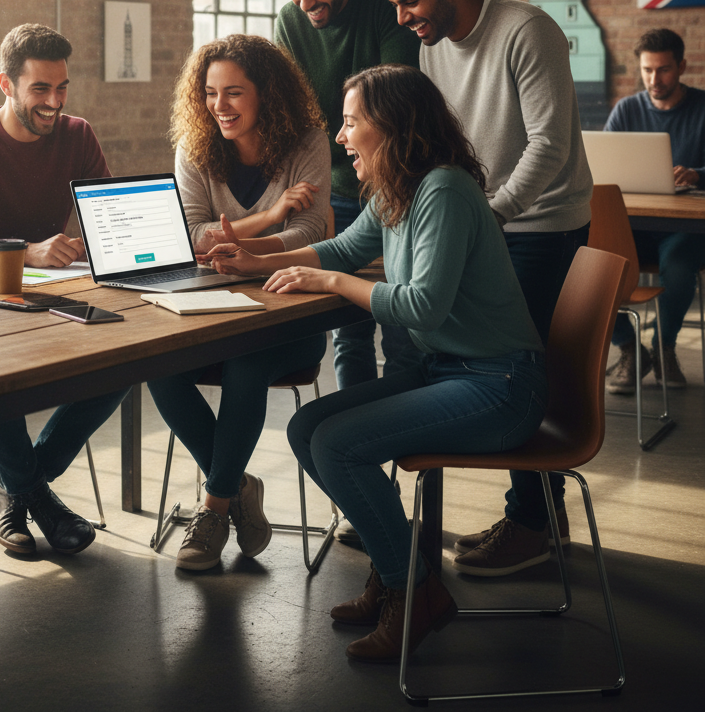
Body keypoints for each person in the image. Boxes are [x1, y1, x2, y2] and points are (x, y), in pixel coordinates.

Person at [206, 64, 545, 661]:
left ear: (390, 128)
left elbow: (423, 305)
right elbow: (342, 246)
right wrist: (251, 261)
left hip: (498, 384)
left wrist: (332, 282)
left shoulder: (442, 189)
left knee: (337, 445)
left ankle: (409, 591)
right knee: (307, 428)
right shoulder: (400, 187)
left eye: (351, 122)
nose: (340, 137)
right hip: (450, 372)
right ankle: (398, 574)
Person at [372, 0, 593, 577]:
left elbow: (548, 146)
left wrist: (484, 218)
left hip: (541, 227)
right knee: (478, 361)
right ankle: (534, 516)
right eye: (394, 6)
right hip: (483, 227)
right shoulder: (432, 44)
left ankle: (533, 522)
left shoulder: (528, 30)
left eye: (411, 2)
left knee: (507, 369)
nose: (403, 17)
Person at [0, 24, 129, 559]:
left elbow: (103, 212)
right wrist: (26, 251)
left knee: (124, 363)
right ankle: (38, 498)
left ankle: (14, 486)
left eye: (62, 88)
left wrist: (99, 240)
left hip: (47, 295)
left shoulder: (77, 134)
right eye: (40, 89)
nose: (54, 102)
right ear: (6, 84)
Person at [148, 34, 330, 571]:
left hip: (290, 309)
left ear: (266, 95)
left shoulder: (307, 141)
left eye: (233, 93)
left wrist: (240, 247)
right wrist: (268, 221)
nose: (218, 106)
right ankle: (236, 486)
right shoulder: (196, 146)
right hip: (213, 303)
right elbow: (190, 233)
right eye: (209, 92)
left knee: (246, 362)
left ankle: (213, 507)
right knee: (157, 363)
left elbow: (312, 233)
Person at [274, 0, 424, 391]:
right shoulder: (289, 20)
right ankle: (356, 431)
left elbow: (394, 97)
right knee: (349, 331)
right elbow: (293, 114)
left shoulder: (384, 0)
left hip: (396, 182)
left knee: (402, 329)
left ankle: (403, 439)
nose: (305, 3)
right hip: (337, 187)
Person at [603, 28, 705, 393]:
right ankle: (631, 349)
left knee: (678, 265)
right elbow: (604, 168)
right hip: (635, 228)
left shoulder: (702, 107)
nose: (653, 79)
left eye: (662, 70)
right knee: (592, 260)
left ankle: (664, 347)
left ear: (681, 67)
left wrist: (697, 174)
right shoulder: (627, 109)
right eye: (647, 70)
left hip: (687, 231)